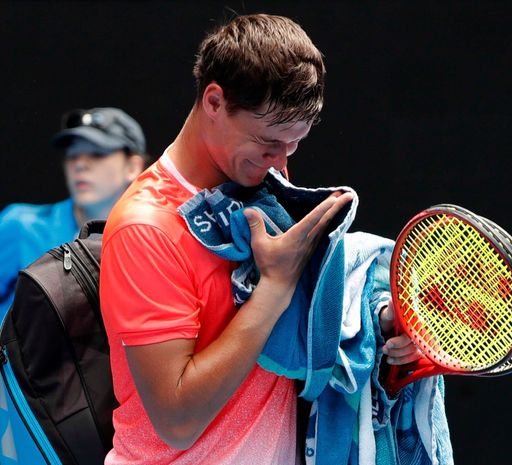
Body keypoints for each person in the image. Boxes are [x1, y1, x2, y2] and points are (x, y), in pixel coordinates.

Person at [99, 14, 424, 465]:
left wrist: (377, 324)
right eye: (268, 141)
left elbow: (301, 334)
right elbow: (176, 422)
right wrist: (274, 286)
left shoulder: (259, 178)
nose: (279, 160)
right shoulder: (146, 228)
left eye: (293, 145)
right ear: (215, 100)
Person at [0, 107, 148, 318]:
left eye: (97, 153)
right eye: (72, 155)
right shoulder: (20, 225)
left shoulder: (151, 241)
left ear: (133, 167)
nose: (80, 164)